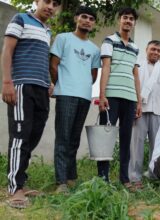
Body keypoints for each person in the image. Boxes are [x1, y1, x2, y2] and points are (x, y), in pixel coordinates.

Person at [1, 0, 60, 208]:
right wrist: (7, 82)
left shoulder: (47, 30)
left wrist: (49, 82)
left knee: (34, 133)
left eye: (55, 4)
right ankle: (15, 188)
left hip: (41, 89)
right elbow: (7, 50)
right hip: (21, 86)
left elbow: (42, 59)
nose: (51, 6)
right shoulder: (21, 19)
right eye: (47, 1)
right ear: (37, 2)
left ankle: (21, 181)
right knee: (20, 136)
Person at [49, 6, 100, 193]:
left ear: (93, 24)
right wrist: (61, 84)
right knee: (63, 137)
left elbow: (93, 75)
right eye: (84, 17)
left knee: (74, 139)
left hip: (84, 97)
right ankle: (60, 182)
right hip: (66, 94)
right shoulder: (63, 38)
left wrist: (82, 85)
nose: (87, 20)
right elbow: (53, 66)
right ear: (76, 18)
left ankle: (70, 178)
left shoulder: (94, 49)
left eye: (91, 19)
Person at [98, 7, 142, 188]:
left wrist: (139, 101)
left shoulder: (136, 47)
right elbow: (106, 67)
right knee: (105, 137)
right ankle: (103, 179)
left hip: (130, 98)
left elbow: (136, 75)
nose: (128, 21)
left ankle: (124, 179)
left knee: (126, 138)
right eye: (125, 18)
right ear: (119, 20)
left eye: (131, 19)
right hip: (111, 97)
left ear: (134, 23)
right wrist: (102, 94)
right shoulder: (109, 40)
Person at [129, 40, 160, 188]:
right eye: (153, 49)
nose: (155, 52)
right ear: (146, 49)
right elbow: (132, 87)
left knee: (158, 146)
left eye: (158, 50)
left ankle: (154, 175)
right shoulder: (138, 65)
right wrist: (134, 105)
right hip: (140, 110)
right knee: (137, 145)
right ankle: (135, 177)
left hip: (159, 112)